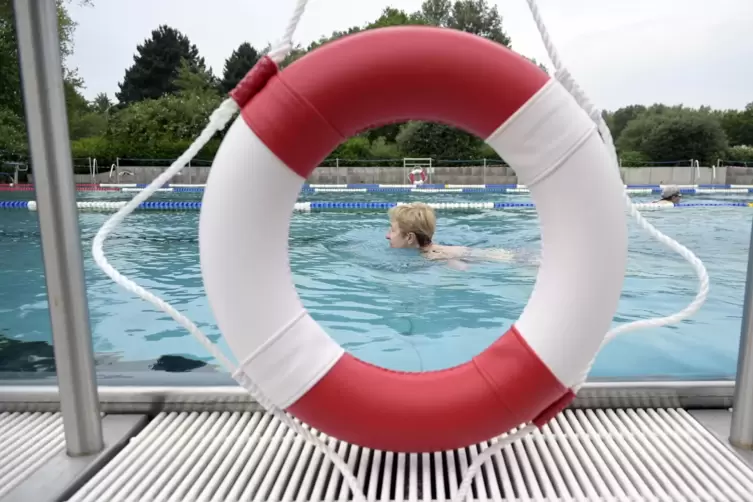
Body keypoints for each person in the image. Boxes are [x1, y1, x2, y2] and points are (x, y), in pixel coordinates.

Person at [385, 203, 516, 266]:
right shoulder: (433, 252)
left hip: (515, 260)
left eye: (392, 230)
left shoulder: (435, 256)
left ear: (410, 238)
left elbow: (462, 271)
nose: (387, 236)